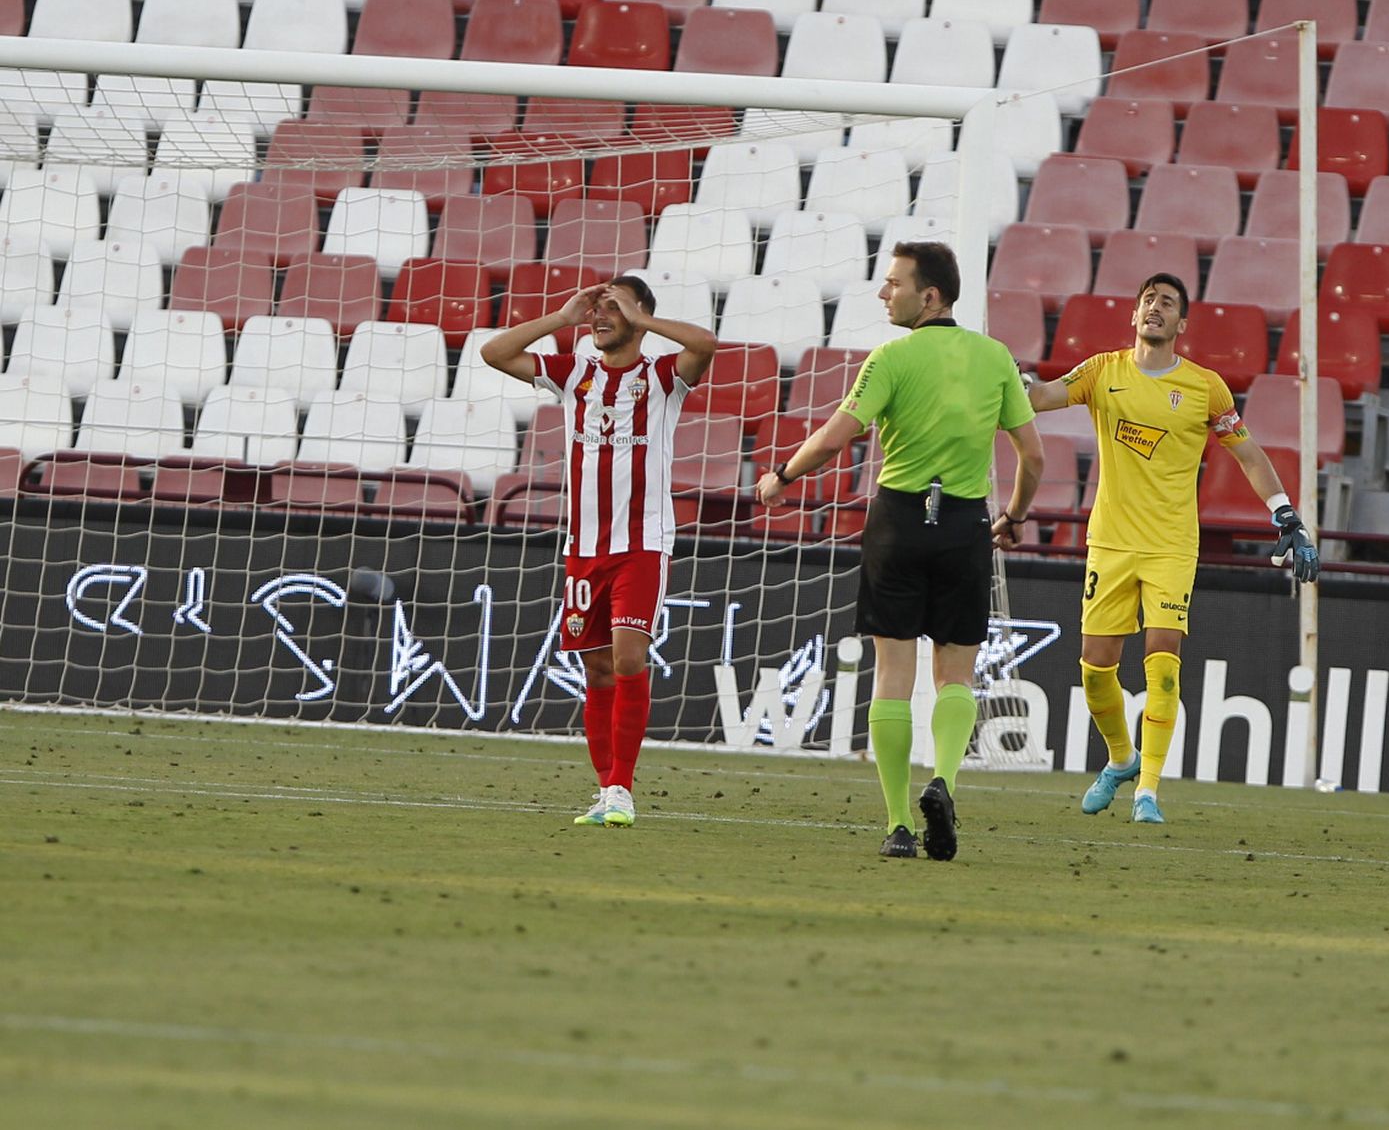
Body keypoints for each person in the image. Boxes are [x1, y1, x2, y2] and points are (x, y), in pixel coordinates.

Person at [757, 242, 1044, 861]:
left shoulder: (890, 357)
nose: (885, 293)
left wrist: (781, 476)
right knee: (957, 676)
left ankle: (896, 825)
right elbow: (1034, 456)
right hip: (965, 524)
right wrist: (1014, 516)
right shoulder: (995, 358)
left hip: (898, 522)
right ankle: (943, 781)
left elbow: (837, 437)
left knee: (892, 675)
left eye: (894, 283)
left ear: (930, 295)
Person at [1025, 273, 1319, 825]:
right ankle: (1121, 760)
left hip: (1171, 546)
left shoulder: (1206, 388)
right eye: (1147, 300)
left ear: (1182, 324)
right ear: (1134, 317)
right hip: (1110, 541)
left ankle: (1149, 791)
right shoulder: (1100, 372)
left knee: (1162, 664)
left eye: (1166, 303)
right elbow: (1041, 398)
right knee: (1095, 669)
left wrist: (1284, 511)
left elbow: (1250, 453)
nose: (1154, 307)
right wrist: (1010, 380)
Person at [481, 277, 717, 828]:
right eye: (598, 309)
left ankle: (622, 788)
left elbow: (705, 345)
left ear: (639, 314)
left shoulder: (662, 377)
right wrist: (562, 318)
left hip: (642, 544)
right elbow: (495, 353)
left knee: (629, 658)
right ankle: (607, 790)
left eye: (613, 309)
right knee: (597, 671)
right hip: (584, 550)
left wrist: (642, 319)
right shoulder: (575, 375)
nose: (599, 317)